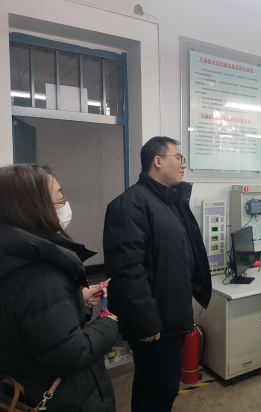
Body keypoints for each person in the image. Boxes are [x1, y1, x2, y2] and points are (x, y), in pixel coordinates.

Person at [103, 136, 212, 412]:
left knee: (154, 386)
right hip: (155, 322)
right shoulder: (130, 204)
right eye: (179, 158)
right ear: (158, 161)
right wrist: (147, 322)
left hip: (171, 312)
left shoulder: (170, 201)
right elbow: (127, 271)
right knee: (160, 389)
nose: (183, 164)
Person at [0, 164, 119, 411]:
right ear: (34, 208)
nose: (65, 204)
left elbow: (27, 317)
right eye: (60, 198)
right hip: (62, 398)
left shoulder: (11, 257)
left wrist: (75, 299)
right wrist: (108, 324)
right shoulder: (42, 278)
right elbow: (70, 355)